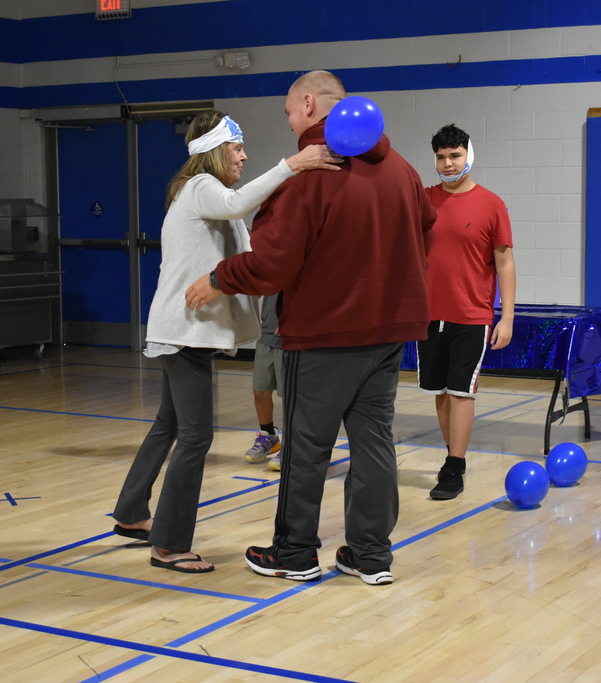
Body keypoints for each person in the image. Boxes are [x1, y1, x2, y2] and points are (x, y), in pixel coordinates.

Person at [185, 70, 435, 585]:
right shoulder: (404, 171)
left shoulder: (305, 176)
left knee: (306, 446)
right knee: (374, 443)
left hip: (323, 335)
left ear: (306, 104)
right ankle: (370, 555)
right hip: (390, 334)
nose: (288, 120)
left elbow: (272, 265)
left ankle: (295, 551)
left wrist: (220, 276)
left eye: (287, 112)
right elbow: (426, 230)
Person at [111, 110, 341, 574]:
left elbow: (250, 243)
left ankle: (132, 512)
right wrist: (292, 165)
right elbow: (238, 203)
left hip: (183, 332)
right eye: (237, 148)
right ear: (215, 151)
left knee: (168, 425)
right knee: (197, 437)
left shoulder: (207, 197)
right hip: (182, 333)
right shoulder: (202, 189)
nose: (244, 155)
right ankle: (169, 545)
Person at [418, 123, 517, 500]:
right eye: (441, 157)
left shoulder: (491, 204)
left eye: (454, 155)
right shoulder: (424, 200)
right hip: (428, 316)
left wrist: (506, 316)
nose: (447, 163)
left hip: (472, 315)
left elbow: (505, 263)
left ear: (468, 155)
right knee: (441, 393)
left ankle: (454, 466)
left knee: (462, 393)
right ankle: (451, 457)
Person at [243, 292, 284, 469]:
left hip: (291, 337)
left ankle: (293, 444)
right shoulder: (274, 265)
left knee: (290, 396)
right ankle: (268, 436)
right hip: (266, 333)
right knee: (260, 391)